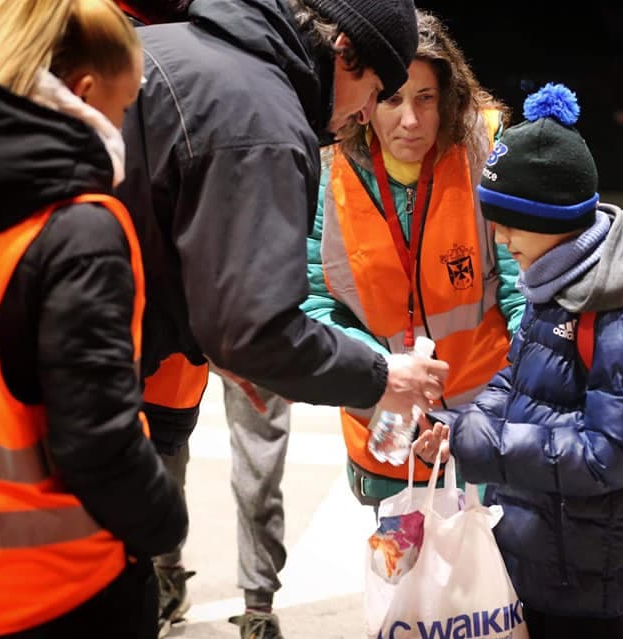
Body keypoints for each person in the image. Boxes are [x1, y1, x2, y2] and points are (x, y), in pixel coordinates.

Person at [114, 1, 448, 637]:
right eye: (374, 90)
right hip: (69, 388)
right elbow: (256, 331)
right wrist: (383, 375)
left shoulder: (178, 48)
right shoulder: (259, 115)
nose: (360, 115)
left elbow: (162, 235)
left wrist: (211, 337)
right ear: (342, 49)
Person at [217, 9, 526, 635]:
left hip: (486, 426)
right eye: (391, 99)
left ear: (452, 100)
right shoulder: (326, 172)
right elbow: (311, 300)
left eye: (426, 99)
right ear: (365, 102)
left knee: (493, 594)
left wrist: (502, 403)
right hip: (386, 426)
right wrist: (383, 374)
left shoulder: (485, 157)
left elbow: (523, 293)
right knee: (408, 599)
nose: (409, 121)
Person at [419, 83, 623, 639]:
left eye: (508, 223)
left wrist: (485, 446)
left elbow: (609, 454)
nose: (498, 239)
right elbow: (517, 380)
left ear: (552, 220)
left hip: (583, 578)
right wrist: (457, 427)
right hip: (536, 553)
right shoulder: (556, 283)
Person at [0, 1, 187, 637]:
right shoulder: (80, 230)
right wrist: (164, 522)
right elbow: (96, 443)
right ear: (83, 92)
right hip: (66, 587)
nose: (125, 126)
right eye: (126, 107)